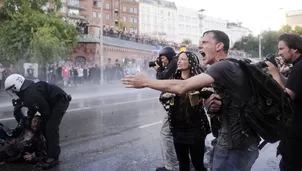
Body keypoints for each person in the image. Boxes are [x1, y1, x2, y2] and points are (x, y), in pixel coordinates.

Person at [122, 30, 260, 171]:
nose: (200, 47)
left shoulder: (222, 66)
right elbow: (233, 105)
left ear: (219, 46)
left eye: (205, 43)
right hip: (234, 142)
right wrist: (216, 106)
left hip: (235, 146)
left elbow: (182, 86)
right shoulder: (228, 67)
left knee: (199, 164)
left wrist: (146, 82)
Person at [4, 74, 71, 170]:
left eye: (12, 89)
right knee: (42, 125)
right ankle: (47, 151)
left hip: (60, 102)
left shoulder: (30, 94)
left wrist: (36, 121)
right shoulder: (26, 91)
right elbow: (33, 107)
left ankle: (53, 157)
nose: (12, 92)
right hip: (51, 101)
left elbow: (46, 112)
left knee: (50, 127)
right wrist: (27, 114)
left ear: (16, 86)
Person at [159, 51, 210, 171]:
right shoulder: (174, 78)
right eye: (179, 59)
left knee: (198, 164)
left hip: (195, 129)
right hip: (178, 128)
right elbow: (162, 97)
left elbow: (209, 92)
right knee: (183, 164)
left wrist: (201, 94)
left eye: (183, 59)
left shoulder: (199, 79)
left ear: (191, 62)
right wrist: (166, 95)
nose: (179, 61)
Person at [265, 33, 302, 171]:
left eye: (281, 49)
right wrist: (277, 73)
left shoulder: (299, 68)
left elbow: (287, 98)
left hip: (297, 133)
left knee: (289, 166)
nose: (278, 53)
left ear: (295, 49)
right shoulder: (298, 66)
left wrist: (274, 73)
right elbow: (291, 86)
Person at [154, 46, 178, 171]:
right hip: (176, 105)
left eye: (162, 58)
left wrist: (159, 70)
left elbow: (162, 80)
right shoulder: (173, 65)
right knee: (178, 133)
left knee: (165, 133)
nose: (161, 60)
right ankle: (184, 161)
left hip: (176, 105)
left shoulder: (174, 65)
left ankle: (172, 166)